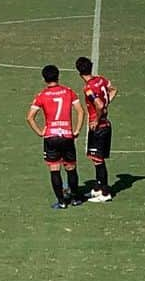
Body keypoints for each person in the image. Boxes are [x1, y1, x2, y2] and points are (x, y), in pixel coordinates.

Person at [27, 64, 85, 209]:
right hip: (66, 135)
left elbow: (30, 117)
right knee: (71, 167)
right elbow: (80, 111)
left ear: (44, 79)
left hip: (51, 136)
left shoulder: (41, 95)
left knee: (54, 168)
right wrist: (76, 130)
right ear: (58, 76)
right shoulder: (68, 92)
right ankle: (76, 198)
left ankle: (61, 201)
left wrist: (40, 132)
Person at [75, 56, 118, 203]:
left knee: (98, 160)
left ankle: (105, 193)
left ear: (79, 72)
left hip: (99, 127)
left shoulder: (88, 88)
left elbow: (99, 105)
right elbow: (113, 90)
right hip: (105, 124)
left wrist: (96, 119)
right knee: (96, 159)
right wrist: (106, 104)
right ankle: (99, 188)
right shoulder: (100, 80)